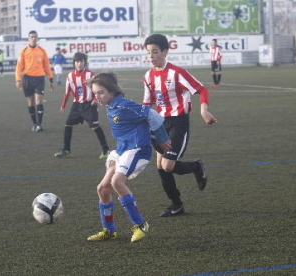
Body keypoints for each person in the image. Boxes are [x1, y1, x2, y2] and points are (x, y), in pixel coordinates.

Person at [86, 72, 171, 243]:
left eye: (101, 92)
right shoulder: (112, 106)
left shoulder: (124, 106)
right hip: (122, 150)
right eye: (95, 93)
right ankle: (109, 230)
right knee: (102, 189)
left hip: (137, 150)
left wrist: (162, 140)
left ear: (112, 91)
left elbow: (152, 115)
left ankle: (140, 224)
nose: (97, 96)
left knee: (117, 182)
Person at [143, 33, 217, 217]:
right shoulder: (148, 76)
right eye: (148, 53)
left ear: (165, 52)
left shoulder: (176, 72)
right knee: (160, 166)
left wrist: (203, 110)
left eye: (155, 52)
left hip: (178, 122)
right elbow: (147, 103)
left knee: (168, 165)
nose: (151, 56)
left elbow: (201, 89)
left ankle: (195, 167)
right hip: (160, 124)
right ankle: (176, 205)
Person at [54, 52, 109, 159]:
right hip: (76, 106)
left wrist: (95, 99)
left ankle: (106, 150)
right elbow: (67, 92)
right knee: (68, 124)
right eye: (77, 61)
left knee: (95, 126)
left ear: (85, 62)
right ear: (74, 63)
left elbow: (98, 89)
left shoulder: (90, 75)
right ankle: (66, 149)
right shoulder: (70, 76)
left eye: (82, 61)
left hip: (89, 105)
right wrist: (63, 105)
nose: (79, 63)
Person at [15, 30, 54, 133]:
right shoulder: (23, 51)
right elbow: (19, 66)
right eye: (31, 37)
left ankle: (39, 125)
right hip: (27, 79)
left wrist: (51, 78)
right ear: (28, 38)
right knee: (31, 102)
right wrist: (18, 79)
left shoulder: (42, 51)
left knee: (38, 101)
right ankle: (34, 124)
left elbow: (46, 66)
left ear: (37, 38)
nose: (33, 38)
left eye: (35, 37)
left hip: (39, 78)